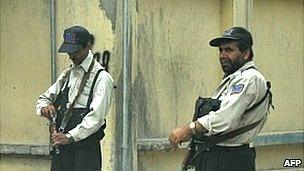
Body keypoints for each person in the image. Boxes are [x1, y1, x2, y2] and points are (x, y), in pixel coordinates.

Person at [169, 27, 272, 171]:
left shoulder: (249, 79)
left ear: (246, 53)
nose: (223, 55)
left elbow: (225, 118)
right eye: (221, 50)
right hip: (217, 156)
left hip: (231, 160)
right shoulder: (234, 78)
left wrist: (189, 129)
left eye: (229, 50)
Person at [36, 26, 114, 171]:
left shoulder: (102, 78)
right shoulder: (67, 75)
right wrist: (45, 108)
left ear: (88, 46)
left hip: (85, 151)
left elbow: (96, 118)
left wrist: (70, 137)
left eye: (76, 51)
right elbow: (43, 98)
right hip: (63, 149)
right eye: (69, 52)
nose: (72, 56)